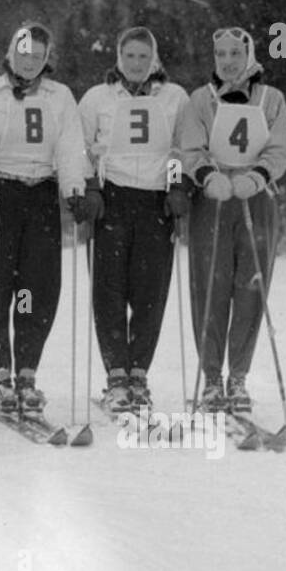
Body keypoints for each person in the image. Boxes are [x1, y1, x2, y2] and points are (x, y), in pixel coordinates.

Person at [0, 21, 90, 417]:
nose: (30, 62)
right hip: (1, 195)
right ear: (10, 52)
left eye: (38, 56)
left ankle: (27, 371)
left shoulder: (60, 96)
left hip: (41, 196)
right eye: (23, 54)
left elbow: (70, 148)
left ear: (46, 59)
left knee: (35, 288)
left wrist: (75, 191)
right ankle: (0, 372)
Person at [177, 26, 286, 413]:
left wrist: (257, 176)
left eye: (234, 54)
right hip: (214, 198)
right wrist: (208, 176)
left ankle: (238, 376)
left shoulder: (271, 99)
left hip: (255, 197)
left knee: (251, 286)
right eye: (221, 55)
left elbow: (280, 147)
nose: (228, 62)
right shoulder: (200, 100)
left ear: (249, 56)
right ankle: (211, 378)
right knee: (210, 285)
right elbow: (190, 148)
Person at [78, 26, 190, 412]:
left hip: (155, 201)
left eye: (144, 56)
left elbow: (180, 148)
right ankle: (116, 376)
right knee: (108, 290)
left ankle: (139, 373)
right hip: (113, 198)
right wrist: (90, 188)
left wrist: (177, 188)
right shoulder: (98, 97)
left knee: (150, 292)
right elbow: (81, 147)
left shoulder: (174, 97)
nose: (137, 64)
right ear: (118, 58)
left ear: (154, 58)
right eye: (130, 56)